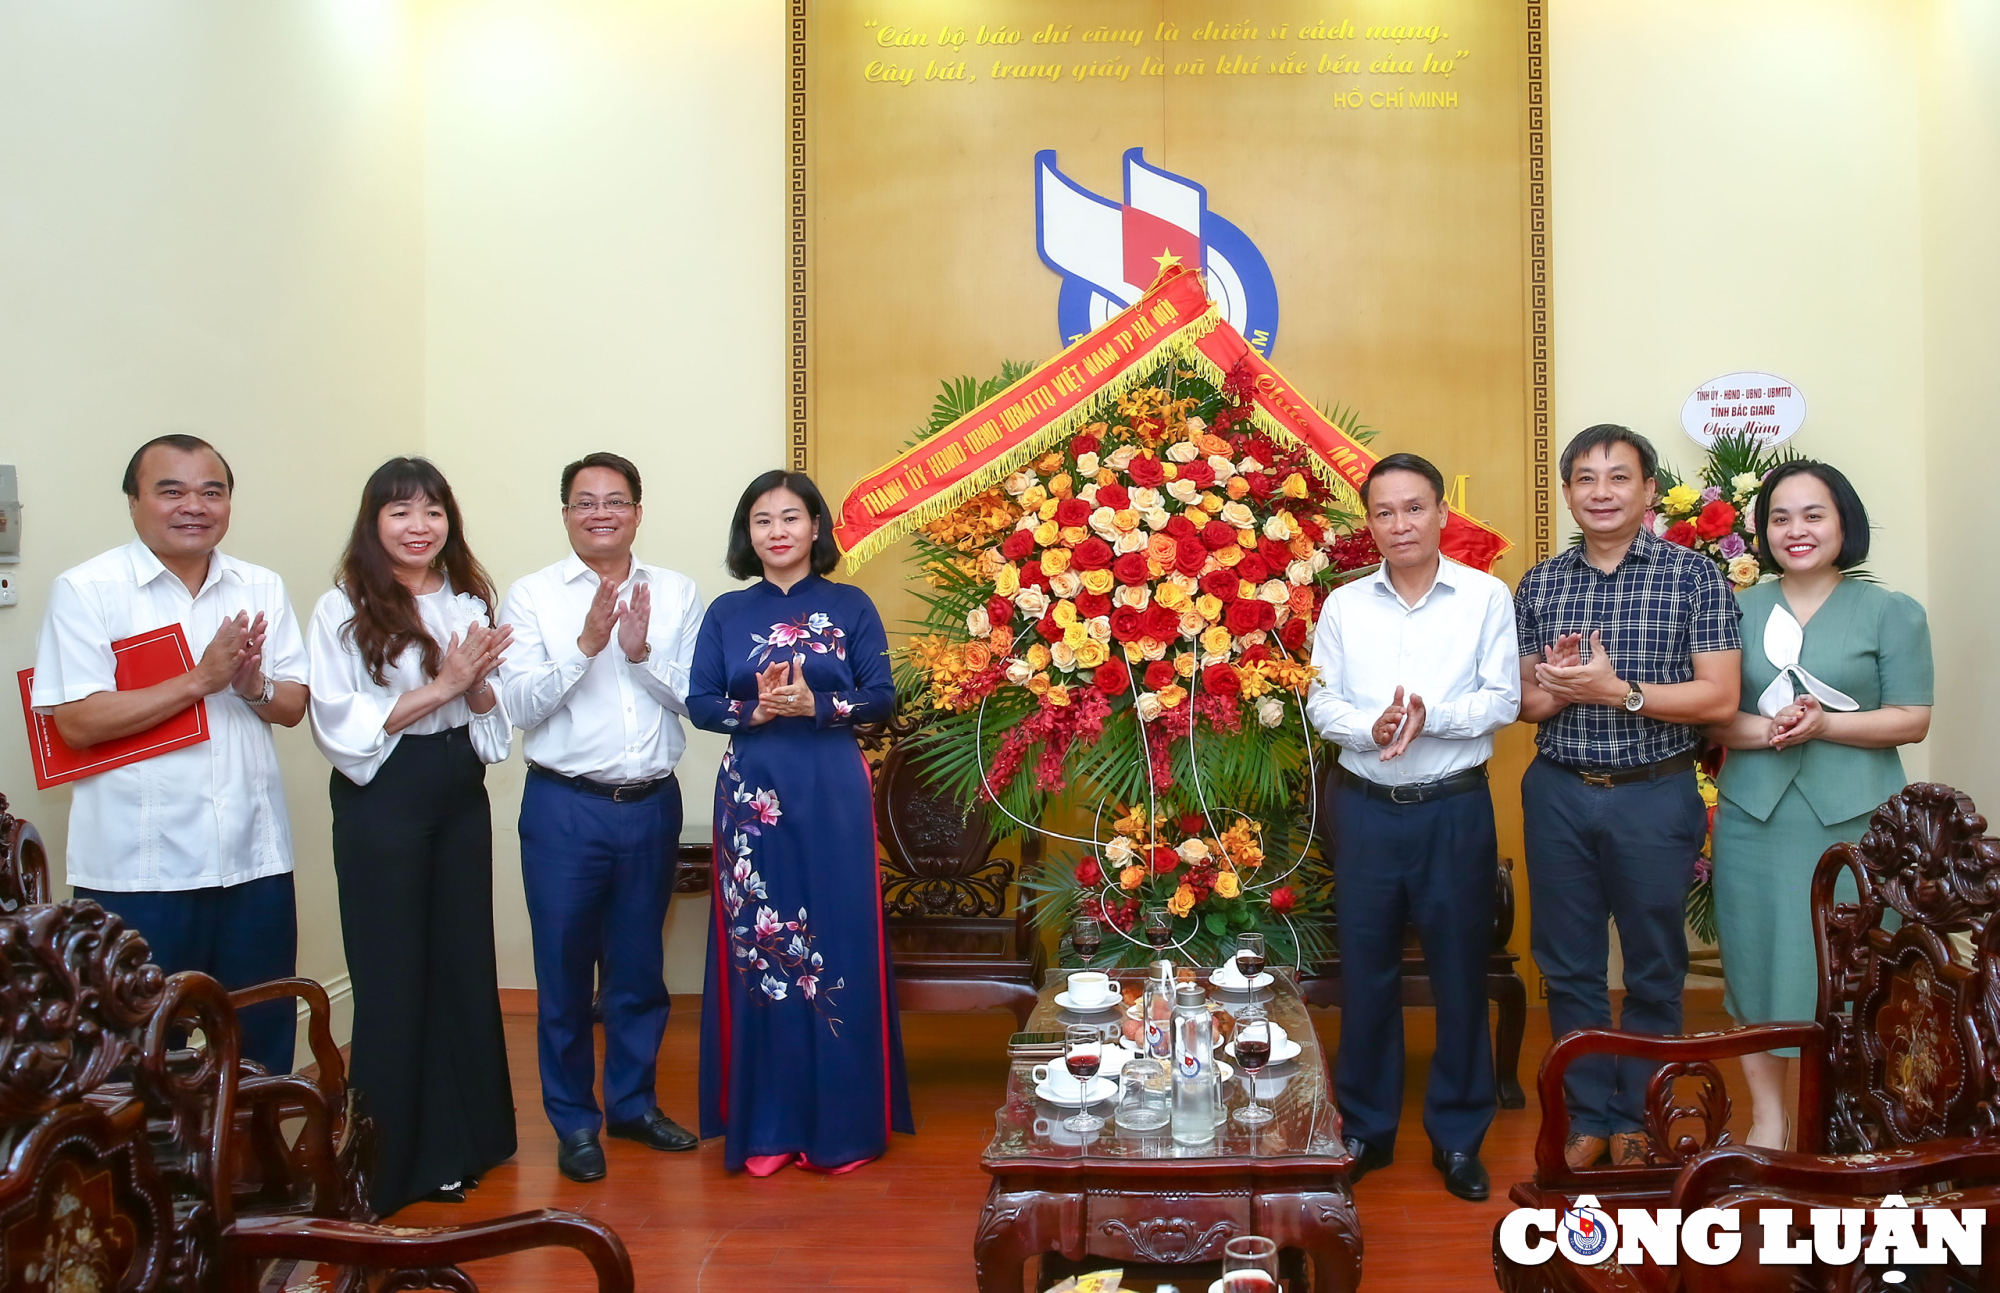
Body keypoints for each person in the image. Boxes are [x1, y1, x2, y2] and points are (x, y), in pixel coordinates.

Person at [31, 434, 307, 1074]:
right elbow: (75, 721)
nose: (194, 506)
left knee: (256, 1038)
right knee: (132, 1053)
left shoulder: (259, 584)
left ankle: (252, 1172)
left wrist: (251, 685)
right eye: (171, 490)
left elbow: (292, 706)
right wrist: (198, 681)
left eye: (212, 491)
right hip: (137, 868)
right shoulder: (88, 589)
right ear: (133, 502)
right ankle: (151, 1179)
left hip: (252, 859)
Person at [1515, 424, 1742, 1169]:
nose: (1602, 491)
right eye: (1585, 478)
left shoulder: (1693, 577)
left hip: (1655, 792)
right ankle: (1589, 1115)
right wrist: (1553, 685)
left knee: (1652, 963)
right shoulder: (1541, 583)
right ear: (1569, 493)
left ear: (1648, 490)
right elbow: (1526, 705)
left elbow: (1719, 696)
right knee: (1569, 964)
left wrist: (1617, 692)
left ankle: (1642, 1113)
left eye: (1619, 477)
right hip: (1559, 791)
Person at [1305, 453, 1520, 1203]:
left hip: (1454, 809)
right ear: (1369, 524)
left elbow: (1502, 699)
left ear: (1441, 513)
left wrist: (1432, 715)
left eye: (1415, 507)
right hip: (1363, 809)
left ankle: (1459, 1137)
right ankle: (1366, 1128)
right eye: (1384, 511)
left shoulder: (1486, 598)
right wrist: (1373, 725)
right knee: (1366, 975)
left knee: (1460, 975)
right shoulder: (1342, 606)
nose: (1401, 523)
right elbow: (1320, 705)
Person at [307, 457, 517, 1214]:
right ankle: (395, 1162)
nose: (419, 526)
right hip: (384, 797)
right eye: (400, 512)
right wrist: (444, 685)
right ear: (374, 523)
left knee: (462, 961)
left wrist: (481, 681)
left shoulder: (466, 599)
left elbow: (488, 722)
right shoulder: (344, 606)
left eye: (432, 511)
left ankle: (471, 1140)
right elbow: (341, 724)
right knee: (394, 972)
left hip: (459, 791)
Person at [688, 470, 913, 1175]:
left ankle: (842, 1129)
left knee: (839, 945)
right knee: (763, 952)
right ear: (746, 534)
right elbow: (698, 700)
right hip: (752, 796)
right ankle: (768, 1127)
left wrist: (813, 706)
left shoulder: (851, 605)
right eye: (761, 519)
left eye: (791, 516)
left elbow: (881, 697)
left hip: (833, 789)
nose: (777, 530)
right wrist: (750, 711)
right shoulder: (726, 611)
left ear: (817, 528)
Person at [1707, 460, 1930, 1149]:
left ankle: (1860, 1115)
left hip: (1857, 820)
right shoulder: (1732, 608)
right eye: (1780, 517)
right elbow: (1716, 719)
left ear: (1843, 522)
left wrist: (1827, 723)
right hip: (1755, 818)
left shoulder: (1892, 611)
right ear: (1762, 532)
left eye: (1813, 514)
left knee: (1858, 970)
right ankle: (1768, 1121)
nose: (1796, 529)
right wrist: (1775, 729)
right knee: (1757, 963)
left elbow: (1911, 717)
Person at [497, 452, 705, 1184]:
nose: (600, 513)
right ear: (565, 515)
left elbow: (696, 701)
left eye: (615, 500)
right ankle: (574, 1122)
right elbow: (517, 707)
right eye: (584, 502)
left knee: (639, 971)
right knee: (561, 974)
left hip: (649, 804)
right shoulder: (529, 597)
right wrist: (586, 646)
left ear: (638, 511)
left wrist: (640, 653)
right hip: (563, 806)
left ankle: (632, 1104)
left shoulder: (676, 591)